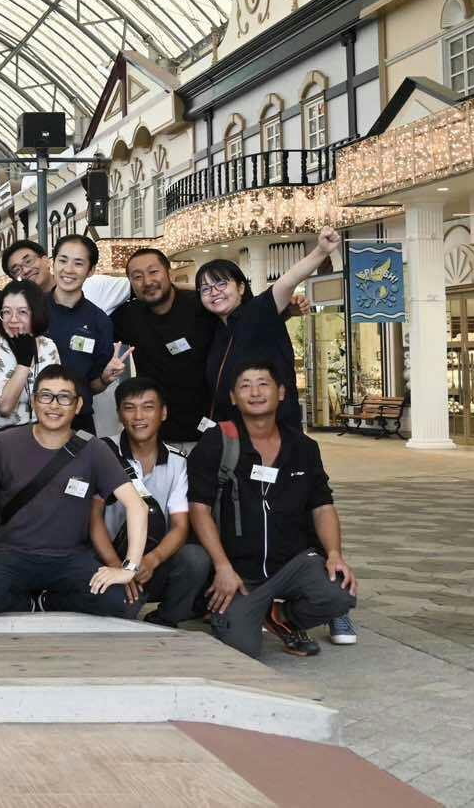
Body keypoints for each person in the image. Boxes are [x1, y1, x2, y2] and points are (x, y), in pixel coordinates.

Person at [188, 362, 359, 657]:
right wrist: (222, 567)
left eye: (263, 383)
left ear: (280, 392)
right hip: (240, 573)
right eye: (245, 385)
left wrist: (334, 554)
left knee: (338, 593)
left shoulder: (303, 447)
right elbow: (199, 508)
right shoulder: (218, 442)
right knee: (243, 647)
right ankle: (244, 611)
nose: (255, 392)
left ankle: (283, 617)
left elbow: (322, 506)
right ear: (233, 397)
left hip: (293, 564)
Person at [0, 366, 148, 617]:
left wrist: (129, 568)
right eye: (46, 396)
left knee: (122, 601)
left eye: (64, 397)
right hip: (12, 554)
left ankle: (46, 603)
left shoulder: (93, 449)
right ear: (34, 401)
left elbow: (137, 506)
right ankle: (28, 605)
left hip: (71, 558)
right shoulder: (6, 442)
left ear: (78, 405)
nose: (54, 405)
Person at [89, 377, 211, 627]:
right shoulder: (103, 451)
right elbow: (94, 518)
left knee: (195, 559)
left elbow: (180, 526)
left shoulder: (178, 462)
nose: (139, 416)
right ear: (119, 414)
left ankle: (166, 619)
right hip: (108, 555)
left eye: (148, 407)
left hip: (152, 556)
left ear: (163, 413)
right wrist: (117, 566)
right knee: (117, 619)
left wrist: (151, 560)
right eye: (129, 408)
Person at [199, 227, 340, 428]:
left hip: (272, 430)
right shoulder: (215, 329)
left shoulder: (258, 311)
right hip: (231, 432)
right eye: (206, 289)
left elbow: (288, 281)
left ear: (240, 287)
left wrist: (321, 250)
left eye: (221, 284)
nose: (214, 292)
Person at [112, 248, 218, 453]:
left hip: (207, 433)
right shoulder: (128, 316)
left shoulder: (201, 308)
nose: (147, 281)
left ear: (169, 273)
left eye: (153, 272)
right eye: (137, 277)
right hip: (155, 438)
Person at [42, 235, 124, 435]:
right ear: (53, 263)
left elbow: (93, 386)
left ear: (91, 270)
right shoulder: (30, 309)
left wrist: (104, 379)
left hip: (79, 420)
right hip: (34, 418)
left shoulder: (99, 321)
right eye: (63, 260)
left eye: (78, 263)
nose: (68, 269)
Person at [0, 280, 61, 430]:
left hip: (42, 432)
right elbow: (4, 407)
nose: (13, 319)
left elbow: (55, 396)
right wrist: (24, 363)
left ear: (36, 313)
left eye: (22, 312)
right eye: (6, 312)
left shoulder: (48, 346)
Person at [2, 238, 133, 316]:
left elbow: (137, 284)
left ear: (46, 260)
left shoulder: (93, 285)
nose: (25, 270)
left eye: (28, 261)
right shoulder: (21, 312)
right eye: (16, 270)